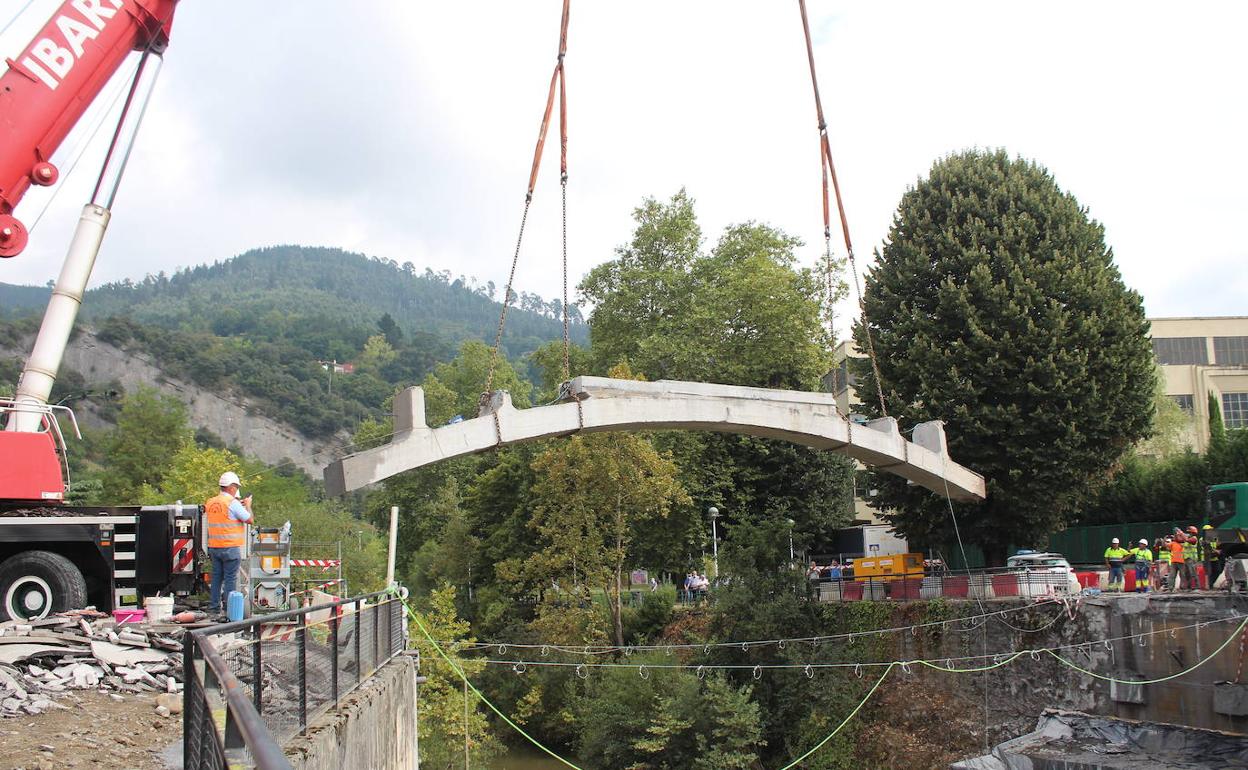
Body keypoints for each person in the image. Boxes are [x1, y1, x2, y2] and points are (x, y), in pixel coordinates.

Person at [205, 471, 253, 615]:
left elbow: (223, 516)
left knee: (217, 579)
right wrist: (248, 505)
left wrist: (238, 504)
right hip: (230, 548)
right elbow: (249, 519)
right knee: (230, 580)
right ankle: (229, 610)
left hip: (214, 547)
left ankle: (214, 608)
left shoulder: (211, 502)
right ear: (232, 487)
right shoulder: (232, 503)